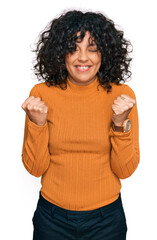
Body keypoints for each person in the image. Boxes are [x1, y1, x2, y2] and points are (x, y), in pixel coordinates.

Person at [21, 10, 140, 240]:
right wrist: (37, 124)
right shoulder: (41, 94)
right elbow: (35, 169)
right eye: (73, 48)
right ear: (60, 53)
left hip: (106, 221)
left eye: (92, 48)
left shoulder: (122, 96)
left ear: (104, 53)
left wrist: (118, 125)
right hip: (52, 218)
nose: (83, 57)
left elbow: (125, 171)